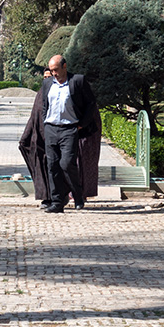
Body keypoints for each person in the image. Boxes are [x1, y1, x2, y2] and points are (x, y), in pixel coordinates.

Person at [18, 54, 99, 213]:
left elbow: (91, 104)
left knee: (67, 163)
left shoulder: (77, 81)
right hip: (51, 128)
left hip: (69, 129)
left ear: (64, 66)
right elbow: (44, 105)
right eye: (51, 70)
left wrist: (81, 125)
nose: (53, 73)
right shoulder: (47, 83)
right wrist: (46, 122)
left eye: (56, 70)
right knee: (52, 165)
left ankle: (77, 194)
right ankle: (57, 202)